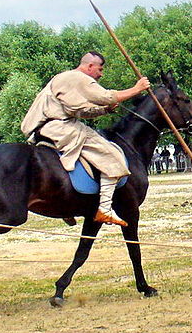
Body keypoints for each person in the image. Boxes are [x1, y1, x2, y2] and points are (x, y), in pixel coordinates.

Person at [20, 51, 150, 227]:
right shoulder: (78, 78)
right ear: (90, 66)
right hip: (61, 129)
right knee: (114, 156)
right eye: (100, 69)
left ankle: (66, 202)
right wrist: (137, 89)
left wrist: (104, 110)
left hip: (43, 130)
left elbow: (78, 111)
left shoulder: (63, 78)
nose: (101, 74)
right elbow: (106, 96)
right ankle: (104, 209)